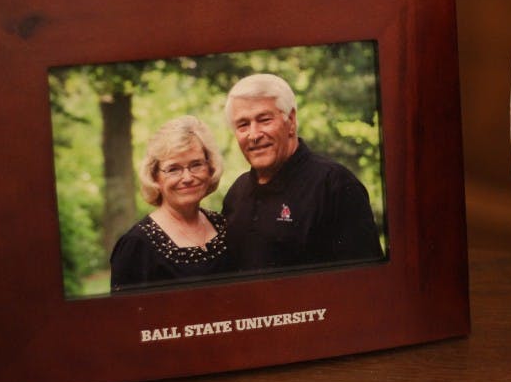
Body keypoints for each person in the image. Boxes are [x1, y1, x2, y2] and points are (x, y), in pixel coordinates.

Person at [222, 73, 383, 271]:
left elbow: (365, 281)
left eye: (264, 120)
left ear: (291, 120)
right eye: (243, 125)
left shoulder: (335, 186)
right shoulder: (236, 194)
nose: (254, 135)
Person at [110, 116, 230, 291]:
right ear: (154, 176)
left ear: (210, 168)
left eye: (196, 165)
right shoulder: (136, 245)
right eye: (174, 169)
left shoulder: (223, 225)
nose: (187, 178)